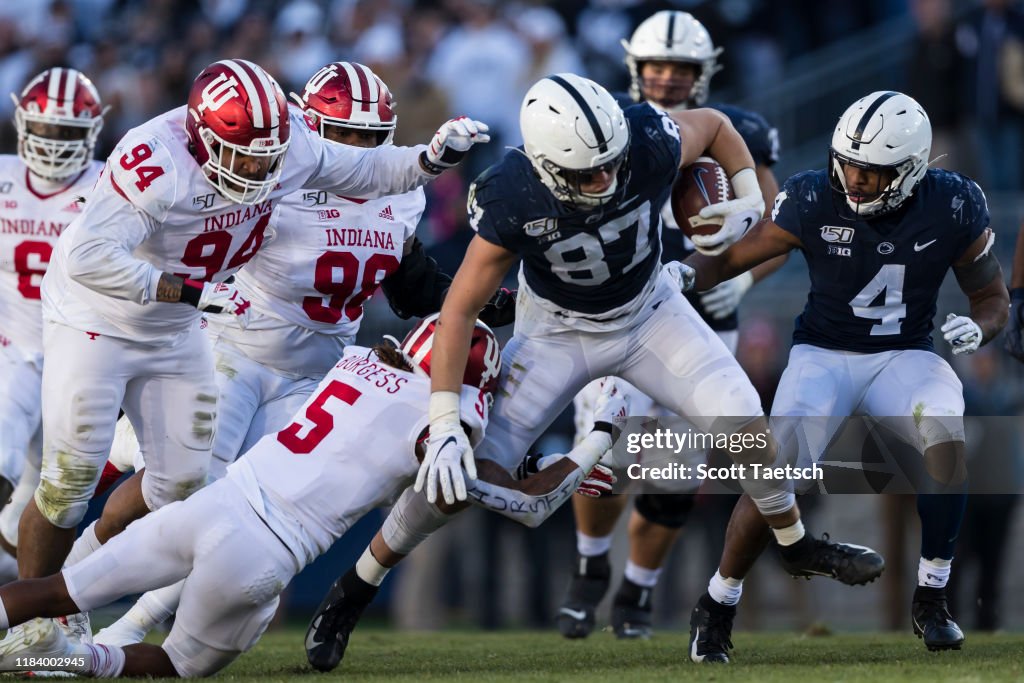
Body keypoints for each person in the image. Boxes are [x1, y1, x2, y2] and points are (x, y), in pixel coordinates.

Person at [303, 72, 884, 672]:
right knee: (453, 478)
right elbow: (459, 310)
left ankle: (793, 544)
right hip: (556, 332)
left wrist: (745, 195)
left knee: (744, 428)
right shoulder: (513, 193)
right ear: (545, 164)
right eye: (586, 173)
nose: (603, 179)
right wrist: (446, 418)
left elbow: (714, 126)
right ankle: (355, 589)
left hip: (652, 313)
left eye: (609, 164)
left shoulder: (645, 139)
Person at [6, 57, 488, 645]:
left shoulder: (295, 153)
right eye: (342, 134)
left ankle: (117, 636)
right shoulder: (174, 159)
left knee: (211, 503)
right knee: (86, 480)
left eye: (367, 138)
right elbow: (90, 257)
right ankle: (45, 611)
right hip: (197, 335)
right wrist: (187, 290)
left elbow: (401, 251)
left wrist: (429, 162)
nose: (261, 166)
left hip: (287, 357)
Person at [0, 317, 623, 678]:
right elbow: (530, 504)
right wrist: (598, 437)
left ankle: (33, 646)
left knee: (56, 589)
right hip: (263, 553)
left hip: (213, 504)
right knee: (172, 666)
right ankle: (61, 663)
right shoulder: (440, 425)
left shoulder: (355, 363)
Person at [684, 91, 1008, 661]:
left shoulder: (954, 203)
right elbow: (733, 259)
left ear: (910, 170)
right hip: (823, 354)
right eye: (849, 163)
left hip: (904, 355)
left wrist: (980, 329)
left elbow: (992, 298)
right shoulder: (813, 194)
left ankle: (932, 599)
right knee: (775, 473)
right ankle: (716, 605)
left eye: (871, 171)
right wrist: (673, 277)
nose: (854, 179)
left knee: (946, 443)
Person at [560, 10, 787, 640]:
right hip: (620, 313)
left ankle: (637, 591)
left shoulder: (737, 131)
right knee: (601, 454)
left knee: (674, 472)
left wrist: (738, 277)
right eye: (656, 66)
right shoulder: (604, 127)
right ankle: (589, 569)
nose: (665, 78)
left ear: (703, 73)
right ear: (635, 67)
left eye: (680, 68)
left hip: (703, 319)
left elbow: (774, 224)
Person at [0, 68, 107, 583]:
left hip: (84, 361)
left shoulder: (112, 184)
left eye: (67, 131)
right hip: (13, 349)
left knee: (23, 524)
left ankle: (34, 614)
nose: (53, 142)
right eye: (45, 129)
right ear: (23, 123)